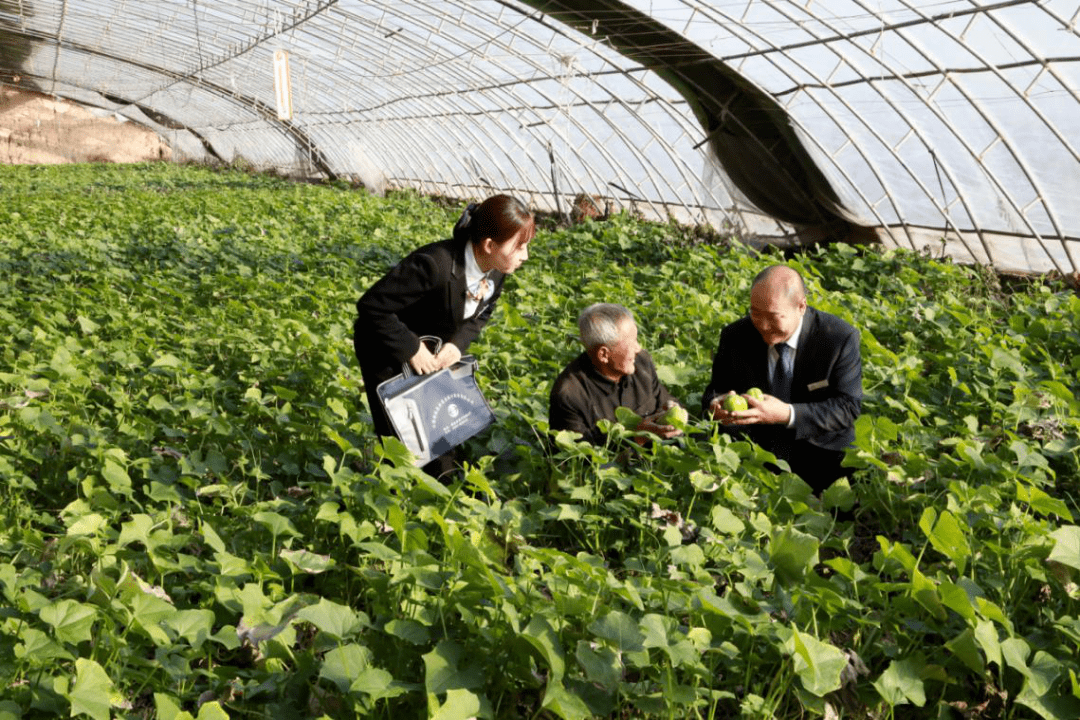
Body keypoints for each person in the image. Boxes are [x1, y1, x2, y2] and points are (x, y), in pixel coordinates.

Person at [354, 194, 535, 477]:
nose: (525, 255)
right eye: (519, 246)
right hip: (387, 347)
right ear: (489, 245)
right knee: (403, 433)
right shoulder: (434, 265)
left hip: (434, 348)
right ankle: (390, 494)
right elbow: (371, 308)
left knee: (439, 424)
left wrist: (457, 343)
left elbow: (481, 314)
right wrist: (412, 348)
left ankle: (442, 484)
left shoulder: (497, 270)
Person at [701, 265, 862, 493]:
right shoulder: (735, 336)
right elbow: (714, 391)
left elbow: (848, 407)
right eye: (755, 313)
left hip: (821, 455)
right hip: (757, 449)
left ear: (801, 307)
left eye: (773, 317)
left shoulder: (837, 339)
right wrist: (716, 405)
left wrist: (786, 414)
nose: (763, 326)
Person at [549, 303, 683, 445]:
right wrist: (636, 438)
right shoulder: (569, 394)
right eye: (631, 343)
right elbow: (579, 458)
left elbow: (662, 398)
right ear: (604, 355)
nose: (638, 348)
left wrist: (671, 409)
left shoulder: (641, 362)